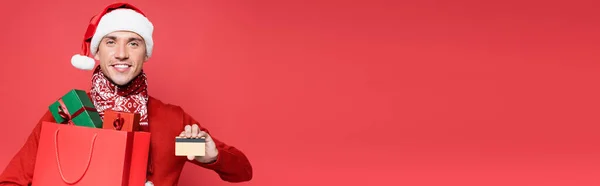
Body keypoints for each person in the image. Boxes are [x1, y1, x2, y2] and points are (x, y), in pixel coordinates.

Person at [0, 2, 253, 186]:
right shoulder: (67, 112)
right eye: (111, 42)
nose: (121, 53)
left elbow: (242, 171)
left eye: (133, 43)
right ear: (97, 53)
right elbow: (12, 181)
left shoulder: (172, 124)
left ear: (146, 53)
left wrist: (213, 157)